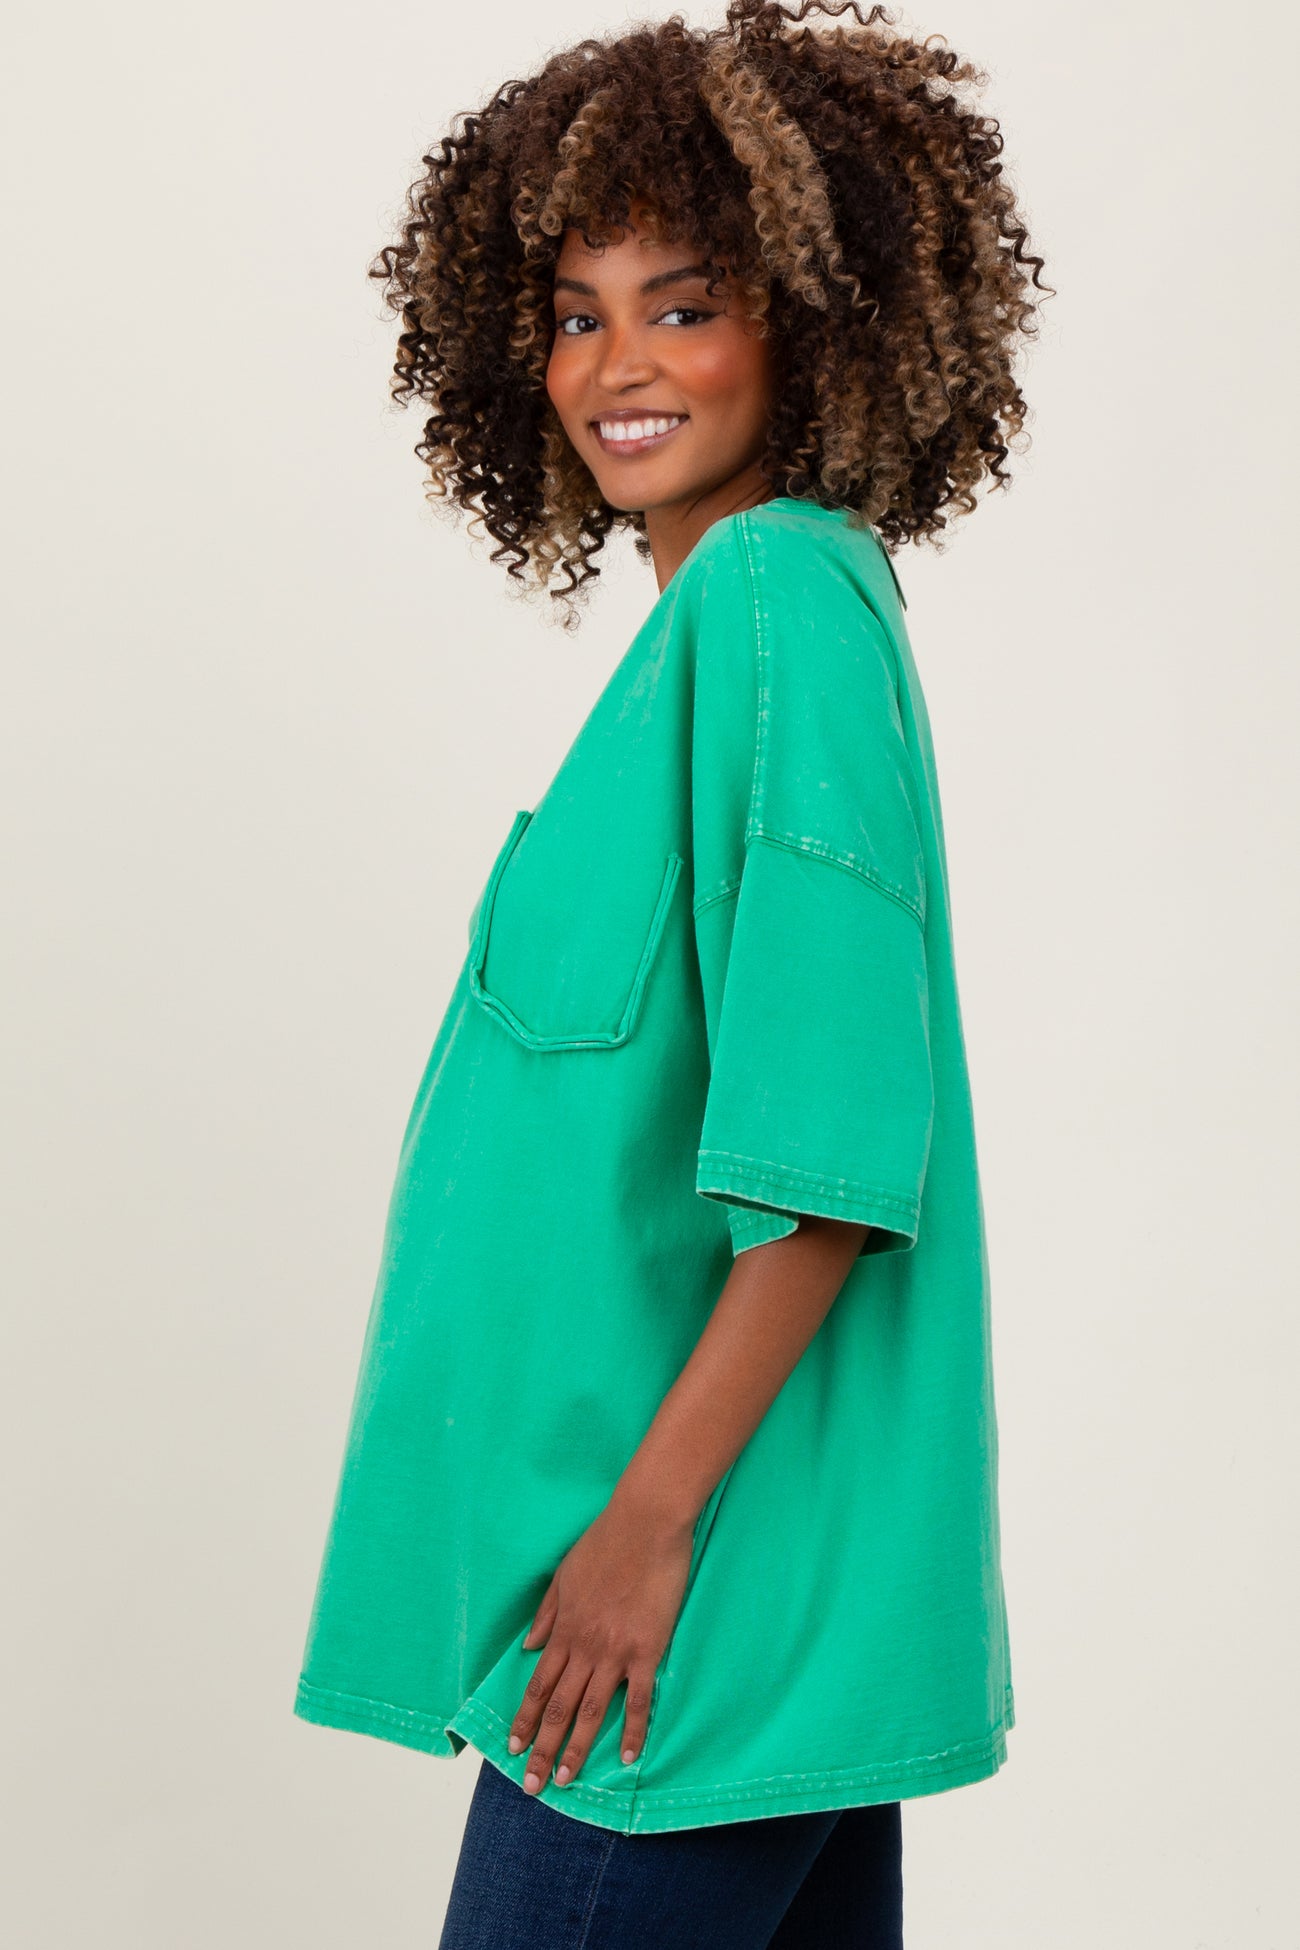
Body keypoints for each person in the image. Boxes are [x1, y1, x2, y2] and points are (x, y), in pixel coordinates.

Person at [292, 2, 1050, 1942]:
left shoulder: (774, 599)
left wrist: (641, 1537)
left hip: (676, 1624)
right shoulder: (719, 631)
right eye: (575, 314)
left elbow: (828, 1151)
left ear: (816, 321)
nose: (615, 364)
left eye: (684, 306)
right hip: (732, 1610)